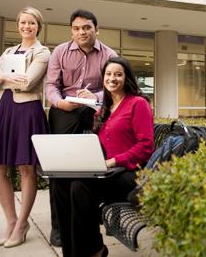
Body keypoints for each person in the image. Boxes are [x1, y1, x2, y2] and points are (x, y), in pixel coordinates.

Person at [54, 57, 155, 257]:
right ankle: (74, 251)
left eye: (118, 74)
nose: (112, 78)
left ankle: (93, 251)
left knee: (80, 186)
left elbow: (146, 146)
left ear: (127, 78)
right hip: (107, 172)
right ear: (103, 79)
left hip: (130, 173)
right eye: (108, 74)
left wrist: (113, 161)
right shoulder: (104, 109)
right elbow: (98, 145)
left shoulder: (138, 104)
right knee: (60, 183)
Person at [44, 9, 117, 247]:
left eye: (86, 28)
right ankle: (59, 226)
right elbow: (51, 85)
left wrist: (94, 95)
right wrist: (59, 102)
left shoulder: (109, 54)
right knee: (59, 168)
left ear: (96, 29)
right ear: (71, 31)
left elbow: (113, 87)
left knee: (95, 163)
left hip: (95, 110)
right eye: (76, 28)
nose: (81, 32)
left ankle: (96, 217)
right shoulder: (60, 52)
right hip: (65, 109)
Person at [0, 6, 50, 248]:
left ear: (38, 26)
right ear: (17, 25)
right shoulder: (9, 50)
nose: (27, 27)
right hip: (4, 109)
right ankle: (11, 221)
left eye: (32, 23)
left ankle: (21, 224)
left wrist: (1, 76)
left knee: (25, 169)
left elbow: (27, 82)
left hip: (27, 111)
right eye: (23, 22)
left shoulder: (43, 53)